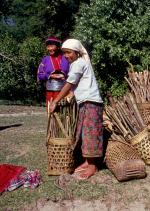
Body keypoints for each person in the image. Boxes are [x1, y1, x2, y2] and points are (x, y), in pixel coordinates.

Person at [49, 39, 103, 180]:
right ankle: (87, 161)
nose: (66, 55)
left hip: (91, 102)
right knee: (85, 133)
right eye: (64, 53)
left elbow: (68, 84)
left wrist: (55, 101)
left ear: (77, 52)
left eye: (69, 52)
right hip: (86, 102)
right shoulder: (77, 64)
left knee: (90, 133)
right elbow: (74, 88)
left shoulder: (79, 63)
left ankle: (93, 166)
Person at [37, 36, 70, 108]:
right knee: (51, 112)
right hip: (50, 91)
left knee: (64, 112)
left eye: (52, 46)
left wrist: (64, 75)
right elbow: (40, 74)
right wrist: (50, 76)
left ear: (58, 47)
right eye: (48, 47)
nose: (50, 49)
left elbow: (71, 72)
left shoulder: (65, 58)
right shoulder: (45, 60)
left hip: (64, 91)